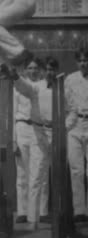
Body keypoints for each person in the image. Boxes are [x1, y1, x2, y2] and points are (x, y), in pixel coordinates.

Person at [11, 56, 59, 230]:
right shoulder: (35, 87)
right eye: (47, 69)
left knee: (53, 175)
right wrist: (15, 77)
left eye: (53, 69)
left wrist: (63, 127)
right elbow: (24, 88)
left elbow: (70, 110)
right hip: (36, 133)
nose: (49, 72)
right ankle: (32, 219)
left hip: (57, 134)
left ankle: (52, 215)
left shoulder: (61, 86)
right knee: (34, 176)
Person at [65, 49, 88, 222]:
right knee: (76, 170)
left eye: (86, 60)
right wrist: (68, 125)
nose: (83, 63)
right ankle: (79, 210)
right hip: (75, 126)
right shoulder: (70, 80)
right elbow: (65, 105)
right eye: (80, 60)